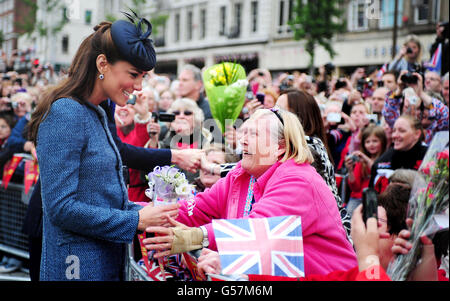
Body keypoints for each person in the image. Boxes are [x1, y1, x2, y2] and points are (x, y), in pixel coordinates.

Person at [25, 17, 188, 281]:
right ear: (102, 64)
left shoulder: (98, 110)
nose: (138, 87)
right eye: (133, 74)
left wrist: (144, 213)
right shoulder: (67, 112)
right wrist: (136, 220)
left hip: (104, 260)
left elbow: (100, 198)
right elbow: (61, 208)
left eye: (143, 77)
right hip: (75, 267)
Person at [143, 108, 357, 276]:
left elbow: (257, 231)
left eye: (252, 134)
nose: (242, 140)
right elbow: (195, 209)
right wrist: (136, 215)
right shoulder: (242, 174)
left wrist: (196, 236)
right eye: (243, 132)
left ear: (280, 147)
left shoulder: (298, 179)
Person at [197, 171, 418, 281]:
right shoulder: (352, 273)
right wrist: (235, 266)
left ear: (400, 235)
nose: (365, 230)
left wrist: (368, 254)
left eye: (376, 224)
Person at [276, 89, 352, 242]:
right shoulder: (308, 142)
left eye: (280, 111)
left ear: (298, 117)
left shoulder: (307, 146)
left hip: (325, 232)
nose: (273, 115)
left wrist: (216, 169)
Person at [370, 115, 428, 193]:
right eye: (394, 131)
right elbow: (372, 194)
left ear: (417, 134)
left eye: (402, 131)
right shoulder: (385, 159)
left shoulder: (428, 156)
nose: (395, 135)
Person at [160, 98, 212, 182]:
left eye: (187, 113)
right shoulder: (162, 135)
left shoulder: (209, 139)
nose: (181, 116)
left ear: (196, 117)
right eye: (176, 113)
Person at [345, 125, 388, 217]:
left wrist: (366, 159)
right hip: (358, 198)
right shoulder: (361, 162)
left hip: (378, 198)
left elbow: (377, 170)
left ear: (383, 142)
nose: (371, 144)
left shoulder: (385, 160)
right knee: (349, 219)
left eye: (375, 141)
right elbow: (355, 187)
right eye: (367, 142)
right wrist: (350, 170)